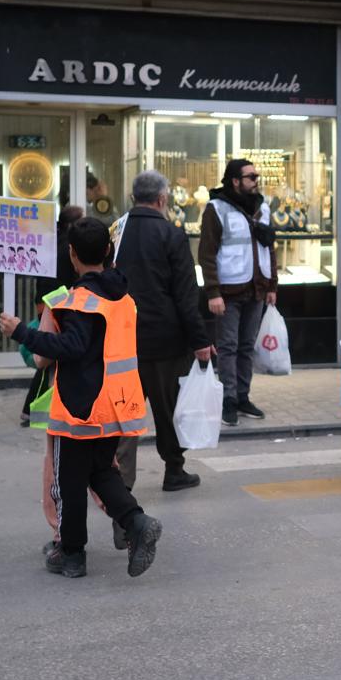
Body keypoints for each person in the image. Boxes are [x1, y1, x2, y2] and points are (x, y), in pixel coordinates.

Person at [1, 216, 163, 579]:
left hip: (80, 408)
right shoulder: (123, 297)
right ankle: (136, 522)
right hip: (116, 405)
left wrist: (21, 332)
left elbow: (70, 347)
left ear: (72, 254)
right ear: (107, 251)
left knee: (69, 482)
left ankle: (72, 554)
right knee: (101, 472)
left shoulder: (80, 301)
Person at [113, 170, 216, 493]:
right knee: (167, 408)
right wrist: (200, 340)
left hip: (122, 337)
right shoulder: (171, 234)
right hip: (164, 339)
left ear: (133, 198)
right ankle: (174, 469)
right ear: (161, 199)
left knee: (124, 410)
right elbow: (186, 295)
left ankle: (117, 478)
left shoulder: (117, 231)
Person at [201, 158, 278, 427]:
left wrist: (272, 285)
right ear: (235, 181)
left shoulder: (262, 207)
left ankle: (243, 397)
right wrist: (213, 292)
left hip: (256, 289)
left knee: (247, 347)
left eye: (257, 176)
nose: (256, 181)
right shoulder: (216, 208)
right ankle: (229, 400)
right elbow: (206, 254)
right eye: (251, 177)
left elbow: (269, 248)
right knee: (228, 347)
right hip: (228, 291)